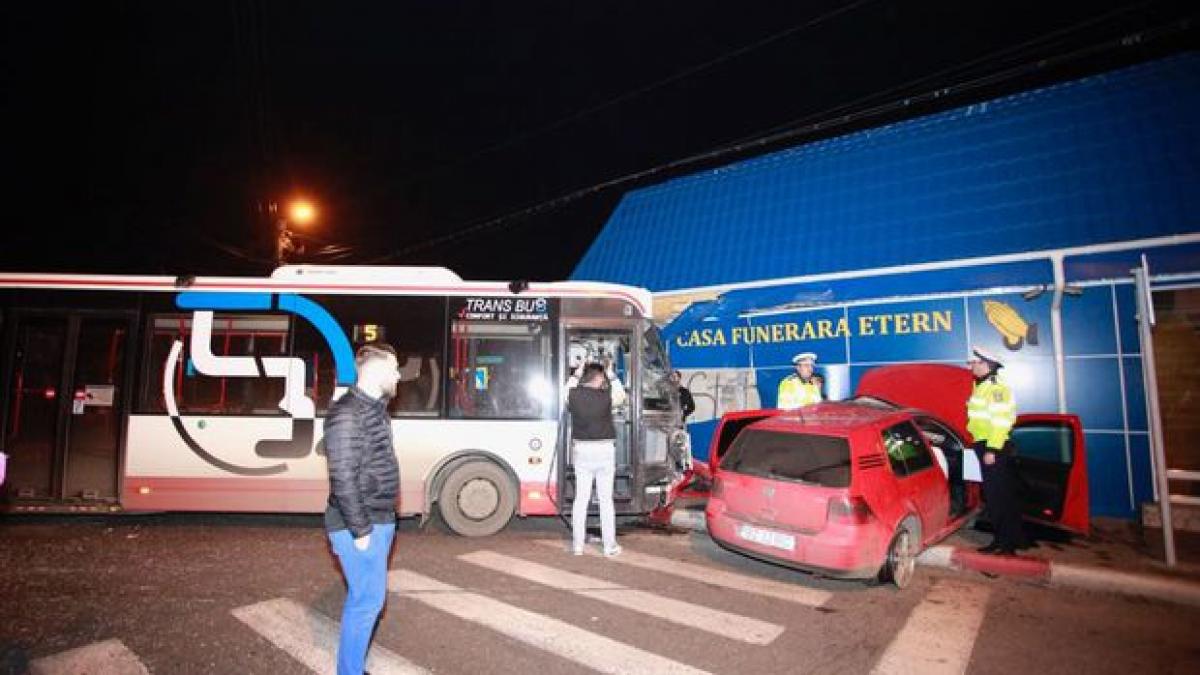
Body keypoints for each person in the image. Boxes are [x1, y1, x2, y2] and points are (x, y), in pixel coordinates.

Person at [323, 343, 402, 675]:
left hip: (378, 517)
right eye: (394, 367)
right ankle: (349, 670)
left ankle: (351, 667)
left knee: (367, 600)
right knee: (366, 603)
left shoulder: (373, 407)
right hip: (360, 523)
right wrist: (361, 532)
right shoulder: (347, 413)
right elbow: (342, 477)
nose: (399, 374)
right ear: (377, 369)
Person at [966, 345, 1029, 555]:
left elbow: (1001, 422)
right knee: (998, 496)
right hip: (986, 445)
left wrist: (992, 449)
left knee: (998, 497)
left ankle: (1006, 544)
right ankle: (1007, 540)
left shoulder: (995, 389)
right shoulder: (982, 386)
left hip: (994, 447)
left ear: (985, 364)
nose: (971, 366)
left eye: (974, 362)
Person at [566, 359, 627, 556]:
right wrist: (612, 374)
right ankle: (609, 547)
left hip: (582, 451)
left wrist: (576, 373)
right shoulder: (606, 396)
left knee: (581, 499)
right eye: (603, 378)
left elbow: (564, 392)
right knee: (605, 500)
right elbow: (621, 396)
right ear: (599, 378)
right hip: (604, 451)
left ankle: (577, 546)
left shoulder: (573, 395)